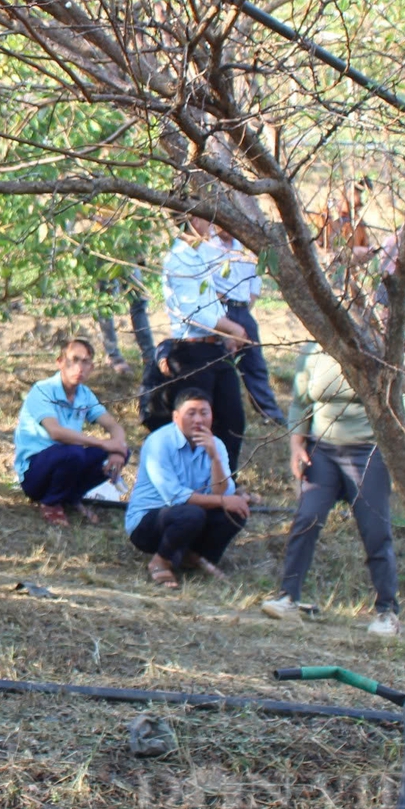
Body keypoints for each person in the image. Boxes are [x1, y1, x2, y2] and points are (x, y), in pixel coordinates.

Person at [261, 341, 405, 635]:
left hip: (369, 451)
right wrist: (297, 444)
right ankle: (287, 597)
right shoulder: (314, 350)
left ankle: (387, 611)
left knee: (375, 530)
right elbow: (300, 401)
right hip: (322, 450)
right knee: (307, 518)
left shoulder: (385, 350)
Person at [146, 216, 249, 460]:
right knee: (196, 425)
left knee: (232, 420)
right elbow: (195, 312)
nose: (212, 223)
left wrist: (226, 335)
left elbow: (210, 302)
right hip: (192, 352)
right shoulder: (179, 258)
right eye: (205, 217)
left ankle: (225, 482)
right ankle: (197, 483)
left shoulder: (201, 253)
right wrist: (232, 328)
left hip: (215, 348)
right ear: (193, 219)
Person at [126, 389, 248, 587]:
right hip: (148, 524)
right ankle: (160, 561)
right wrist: (224, 500)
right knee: (191, 513)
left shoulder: (216, 444)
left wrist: (214, 456)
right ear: (176, 417)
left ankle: (190, 555)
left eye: (204, 413)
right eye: (191, 413)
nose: (198, 420)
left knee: (236, 512)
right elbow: (175, 497)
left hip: (190, 516)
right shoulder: (159, 442)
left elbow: (222, 492)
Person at [13, 339, 128, 525]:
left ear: (92, 367)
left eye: (85, 362)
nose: (79, 367)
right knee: (72, 453)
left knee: (120, 453)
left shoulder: (85, 394)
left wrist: (118, 449)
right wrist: (102, 443)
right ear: (60, 362)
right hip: (36, 472)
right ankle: (50, 502)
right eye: (74, 360)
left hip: (68, 460)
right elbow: (56, 432)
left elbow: (113, 426)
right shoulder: (43, 390)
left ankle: (71, 497)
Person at [212, 227, 287, 426]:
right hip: (220, 310)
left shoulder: (245, 248)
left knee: (254, 363)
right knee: (221, 361)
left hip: (242, 309)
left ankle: (269, 412)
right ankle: (220, 413)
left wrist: (246, 307)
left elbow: (255, 280)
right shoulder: (208, 247)